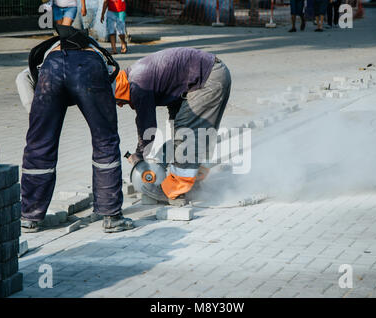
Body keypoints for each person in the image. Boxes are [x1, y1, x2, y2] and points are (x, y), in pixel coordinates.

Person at [15, 25, 133, 233]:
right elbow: (111, 93)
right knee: (105, 140)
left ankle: (29, 216)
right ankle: (110, 216)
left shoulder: (46, 54)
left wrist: (36, 120)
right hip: (89, 70)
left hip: (50, 73)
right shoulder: (96, 52)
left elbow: (22, 79)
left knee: (39, 142)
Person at [115, 47, 231, 204]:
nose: (121, 105)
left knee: (186, 133)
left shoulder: (137, 85)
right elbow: (174, 97)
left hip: (208, 77)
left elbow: (147, 125)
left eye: (118, 102)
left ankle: (175, 189)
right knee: (195, 133)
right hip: (209, 73)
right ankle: (194, 183)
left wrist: (140, 155)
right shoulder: (132, 76)